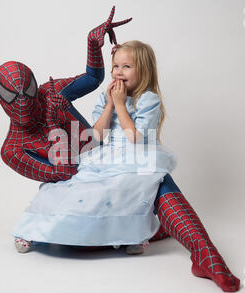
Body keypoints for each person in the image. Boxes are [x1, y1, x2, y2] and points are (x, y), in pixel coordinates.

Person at [12, 40, 176, 255]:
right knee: (70, 187)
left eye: (127, 66)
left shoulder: (147, 99)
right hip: (107, 154)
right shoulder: (109, 96)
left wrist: (119, 104)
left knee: (124, 191)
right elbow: (97, 136)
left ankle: (134, 235)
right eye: (116, 66)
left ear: (144, 70)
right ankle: (33, 230)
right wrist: (109, 104)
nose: (119, 72)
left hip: (137, 157)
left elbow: (135, 137)